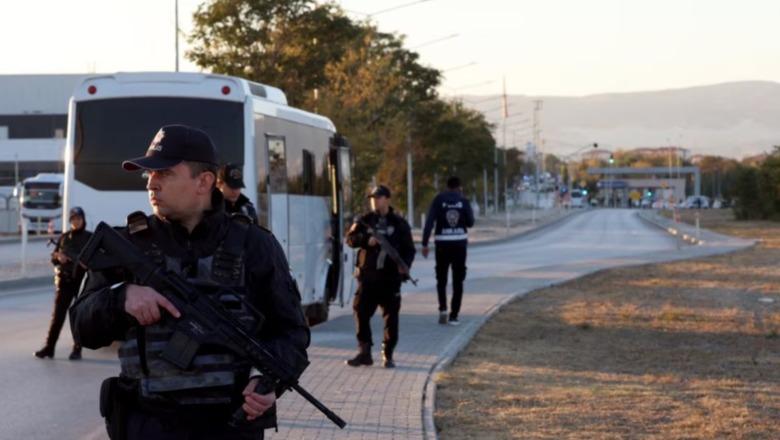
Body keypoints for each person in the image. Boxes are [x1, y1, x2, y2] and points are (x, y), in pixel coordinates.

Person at [69, 125, 310, 440]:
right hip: (148, 424)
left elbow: (292, 333)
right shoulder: (128, 245)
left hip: (229, 425)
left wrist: (267, 384)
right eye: (149, 174)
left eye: (164, 173)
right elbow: (81, 327)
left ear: (204, 182)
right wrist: (121, 298)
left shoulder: (254, 245)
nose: (151, 183)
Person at [345, 185, 415, 368]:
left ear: (387, 199)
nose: (374, 201)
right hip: (368, 278)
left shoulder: (399, 223)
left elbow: (409, 250)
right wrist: (365, 240)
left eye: (378, 197)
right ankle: (364, 352)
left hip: (390, 279)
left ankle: (388, 354)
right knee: (360, 312)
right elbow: (350, 239)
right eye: (372, 198)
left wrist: (404, 266)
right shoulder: (365, 221)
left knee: (391, 318)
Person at [34, 206, 92, 360]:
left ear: (83, 220)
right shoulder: (65, 237)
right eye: (73, 219)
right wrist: (58, 258)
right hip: (64, 281)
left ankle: (77, 349)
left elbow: (93, 259)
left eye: (78, 219)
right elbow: (54, 258)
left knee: (79, 316)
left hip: (81, 281)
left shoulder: (89, 237)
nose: (76, 222)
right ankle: (49, 347)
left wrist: (80, 262)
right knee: (57, 316)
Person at [421, 176, 475, 326]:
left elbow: (429, 222)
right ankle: (454, 316)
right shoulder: (463, 201)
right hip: (459, 245)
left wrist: (424, 244)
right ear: (459, 187)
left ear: (447, 187)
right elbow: (471, 223)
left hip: (442, 245)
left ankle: (443, 309)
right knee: (458, 281)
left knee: (441, 279)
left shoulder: (438, 200)